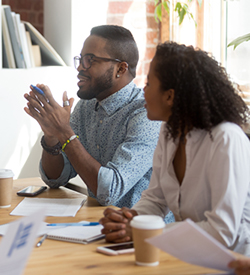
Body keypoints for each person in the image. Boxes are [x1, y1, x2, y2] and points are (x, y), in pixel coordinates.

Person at [100, 42, 250, 256]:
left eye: (150, 83)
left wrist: (146, 232)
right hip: (187, 256)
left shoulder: (226, 139)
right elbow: (155, 200)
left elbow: (222, 231)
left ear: (170, 96)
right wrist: (129, 221)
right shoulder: (169, 131)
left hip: (231, 264)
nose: (144, 89)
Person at [24, 25, 161, 209]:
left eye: (91, 60)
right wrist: (52, 137)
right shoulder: (86, 107)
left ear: (120, 69)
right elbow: (57, 178)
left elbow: (110, 191)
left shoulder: (146, 115)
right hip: (97, 223)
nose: (80, 67)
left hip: (139, 232)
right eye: (80, 59)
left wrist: (64, 132)